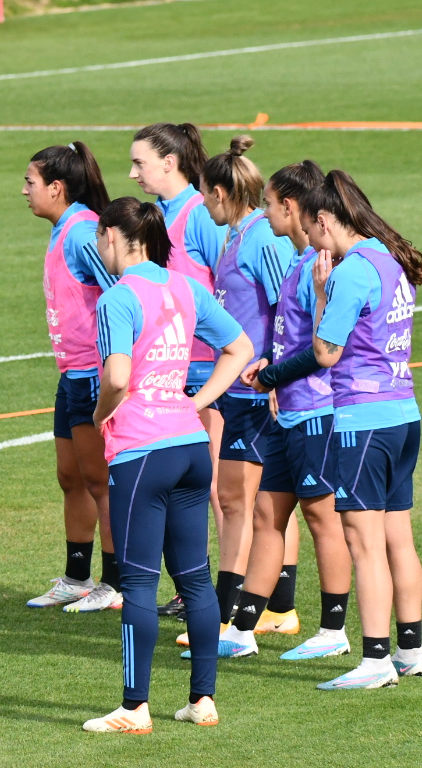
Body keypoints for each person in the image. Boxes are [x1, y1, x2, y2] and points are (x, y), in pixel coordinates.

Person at [81, 198, 252, 735]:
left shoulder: (118, 298)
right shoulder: (183, 285)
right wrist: (196, 403)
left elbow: (116, 377)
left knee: (137, 584)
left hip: (141, 451)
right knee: (196, 579)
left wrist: (100, 414)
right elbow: (239, 346)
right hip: (187, 446)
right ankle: (202, 700)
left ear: (113, 236)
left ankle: (134, 708)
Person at [299, 171, 422, 690]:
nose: (310, 241)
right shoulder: (387, 257)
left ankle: (375, 660)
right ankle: (409, 649)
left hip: (363, 422)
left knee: (364, 542)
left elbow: (325, 353)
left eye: (311, 230)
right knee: (399, 537)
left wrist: (319, 294)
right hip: (403, 414)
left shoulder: (351, 272)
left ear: (326, 220)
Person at [230, 162, 352, 661]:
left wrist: (272, 375)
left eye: (269, 205)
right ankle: (241, 629)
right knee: (267, 516)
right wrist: (269, 363)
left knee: (323, 519)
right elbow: (294, 338)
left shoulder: (321, 267)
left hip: (316, 414)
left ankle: (334, 628)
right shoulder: (301, 261)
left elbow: (324, 349)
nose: (264, 214)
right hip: (289, 415)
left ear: (290, 207)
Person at [188, 136, 295, 651]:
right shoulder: (237, 235)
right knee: (252, 504)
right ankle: (270, 609)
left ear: (225, 192)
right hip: (238, 389)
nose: (203, 203)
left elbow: (287, 309)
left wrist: (273, 370)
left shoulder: (261, 239)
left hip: (256, 393)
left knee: (240, 502)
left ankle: (227, 617)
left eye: (207, 194)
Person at [126, 124, 235, 623]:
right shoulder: (160, 217)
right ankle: (195, 590)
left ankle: (240, 598)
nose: (132, 173)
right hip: (171, 373)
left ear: (169, 163)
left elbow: (229, 285)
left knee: (220, 489)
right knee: (191, 489)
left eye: (140, 163)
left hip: (208, 371)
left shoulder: (199, 217)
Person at [21, 142, 121, 613]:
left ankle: (114, 582)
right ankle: (77, 576)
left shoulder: (83, 233)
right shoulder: (66, 228)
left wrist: (113, 368)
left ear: (56, 188)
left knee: (99, 480)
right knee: (71, 476)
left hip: (92, 376)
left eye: (31, 182)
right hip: (71, 377)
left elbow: (123, 292)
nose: (25, 190)